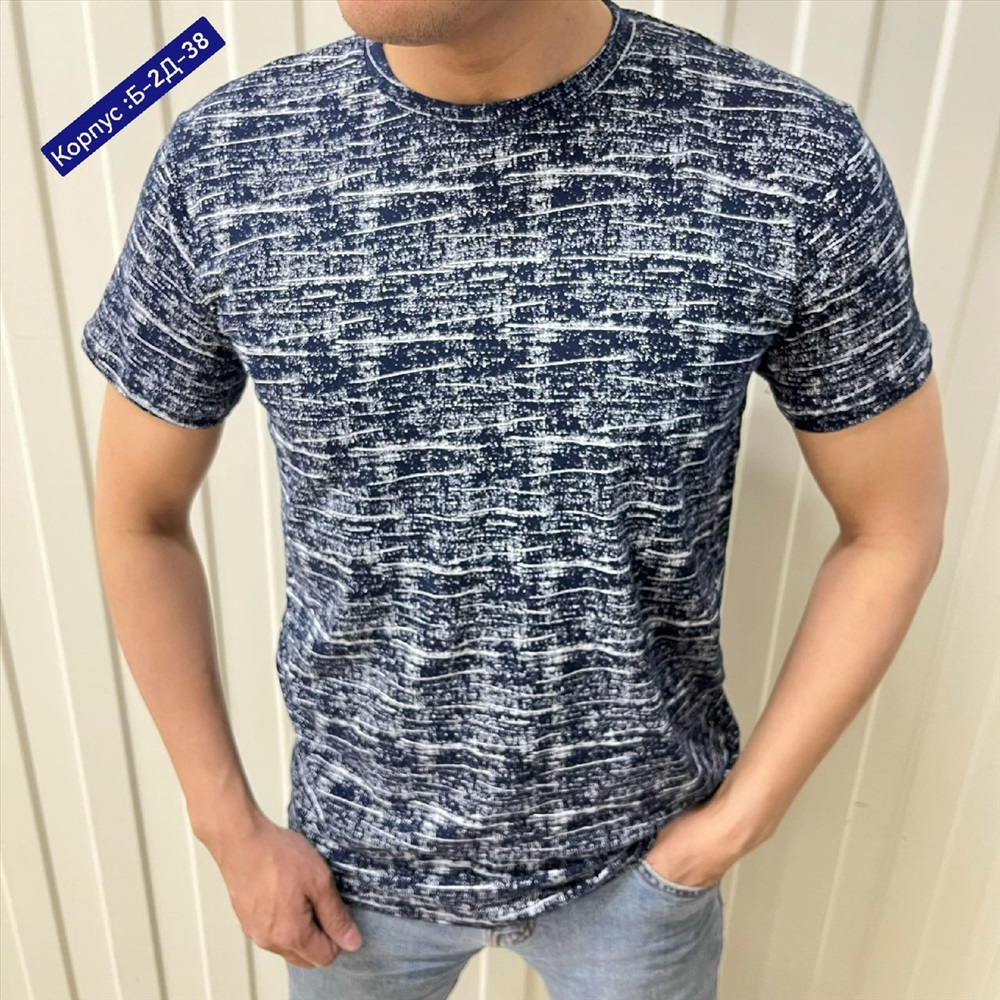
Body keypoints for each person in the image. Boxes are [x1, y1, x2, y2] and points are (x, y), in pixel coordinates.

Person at [81, 0, 948, 997]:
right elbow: (138, 515)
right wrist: (227, 828)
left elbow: (892, 524)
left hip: (640, 873)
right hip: (348, 878)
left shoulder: (781, 158)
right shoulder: (230, 162)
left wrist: (728, 830)